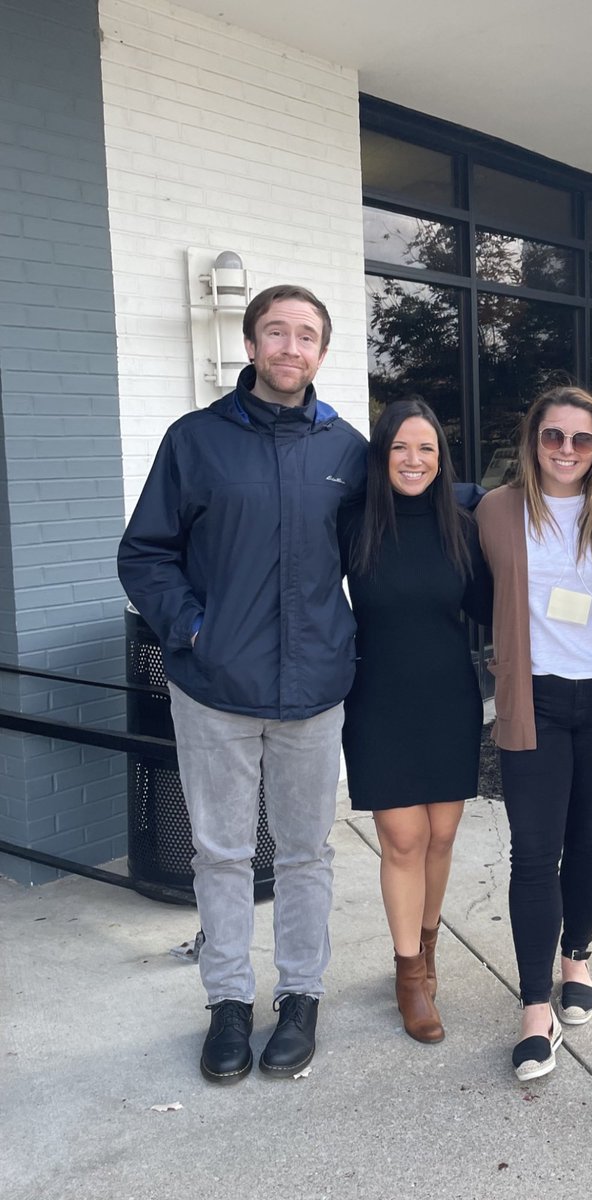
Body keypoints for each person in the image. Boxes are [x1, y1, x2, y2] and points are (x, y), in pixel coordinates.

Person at [117, 285, 367, 1083]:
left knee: (304, 852)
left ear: (322, 353)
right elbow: (144, 552)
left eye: (307, 336)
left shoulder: (347, 450)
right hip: (215, 686)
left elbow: (405, 532)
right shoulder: (195, 441)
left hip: (313, 688)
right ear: (252, 345)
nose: (291, 348)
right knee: (221, 853)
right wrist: (192, 629)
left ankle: (300, 996)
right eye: (276, 333)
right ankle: (228, 1001)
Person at [476, 385, 592, 1082]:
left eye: (581, 439)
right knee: (534, 854)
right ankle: (535, 1008)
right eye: (553, 437)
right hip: (533, 704)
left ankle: (578, 957)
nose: (566, 451)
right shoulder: (497, 511)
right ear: (532, 440)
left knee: (589, 841)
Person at [339, 398, 492, 1044]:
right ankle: (408, 975)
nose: (414, 459)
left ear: (441, 458)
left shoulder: (460, 524)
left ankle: (427, 950)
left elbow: (494, 600)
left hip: (448, 697)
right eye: (401, 447)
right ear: (381, 453)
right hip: (378, 698)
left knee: (439, 836)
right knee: (402, 838)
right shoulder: (351, 522)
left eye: (426, 448)